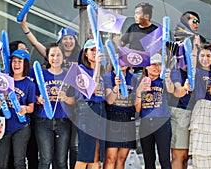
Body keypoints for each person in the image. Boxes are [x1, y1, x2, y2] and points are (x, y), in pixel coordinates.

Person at [34, 43, 75, 169]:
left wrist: (65, 98)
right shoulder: (40, 74)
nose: (55, 58)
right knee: (45, 160)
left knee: (62, 161)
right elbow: (32, 96)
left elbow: (74, 101)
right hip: (43, 121)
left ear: (63, 57)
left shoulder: (69, 75)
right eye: (52, 55)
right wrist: (38, 99)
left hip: (63, 121)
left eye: (58, 55)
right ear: (47, 57)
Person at [0, 50, 35, 169]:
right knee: (1, 162)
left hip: (21, 127)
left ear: (25, 64)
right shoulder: (4, 79)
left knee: (19, 162)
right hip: (4, 126)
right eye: (14, 61)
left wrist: (25, 108)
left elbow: (31, 107)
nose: (16, 64)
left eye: (19, 61)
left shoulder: (29, 84)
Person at [188, 43, 211, 168]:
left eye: (208, 55)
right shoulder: (196, 71)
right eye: (202, 55)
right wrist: (194, 48)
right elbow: (190, 66)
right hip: (201, 109)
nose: (205, 58)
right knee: (201, 152)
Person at [135, 53, 172, 169]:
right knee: (148, 161)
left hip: (162, 122)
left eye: (159, 64)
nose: (156, 67)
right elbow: (137, 108)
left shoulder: (163, 80)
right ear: (146, 66)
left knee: (164, 160)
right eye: (153, 64)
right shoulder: (140, 82)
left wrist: (168, 78)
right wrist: (138, 92)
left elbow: (171, 90)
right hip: (145, 123)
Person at [75, 39, 106, 169]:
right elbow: (91, 89)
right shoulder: (79, 69)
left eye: (97, 50)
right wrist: (98, 66)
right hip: (87, 110)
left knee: (96, 153)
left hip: (100, 109)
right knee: (85, 154)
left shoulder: (103, 71)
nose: (95, 53)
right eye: (91, 50)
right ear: (85, 53)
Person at [103, 66, 137, 169]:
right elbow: (109, 100)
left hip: (128, 118)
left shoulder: (133, 78)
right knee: (110, 158)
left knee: (122, 159)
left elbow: (135, 101)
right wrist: (116, 87)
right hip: (113, 118)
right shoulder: (108, 77)